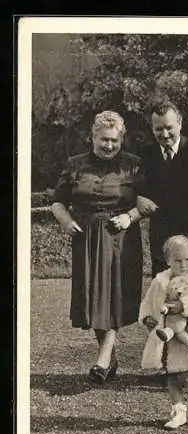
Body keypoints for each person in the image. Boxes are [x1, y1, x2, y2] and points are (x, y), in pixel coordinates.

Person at [51, 111, 157, 384]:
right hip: (86, 238)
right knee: (93, 298)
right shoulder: (75, 165)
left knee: (114, 297)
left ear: (121, 140)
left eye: (114, 140)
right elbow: (58, 201)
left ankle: (103, 357)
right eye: (103, 140)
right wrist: (65, 220)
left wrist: (130, 216)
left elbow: (148, 203)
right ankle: (108, 358)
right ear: (93, 138)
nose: (108, 145)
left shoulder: (133, 166)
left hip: (121, 239)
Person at [139, 235, 188, 430]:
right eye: (177, 261)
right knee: (171, 375)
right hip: (166, 336)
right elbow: (148, 301)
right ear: (168, 261)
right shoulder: (160, 281)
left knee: (185, 372)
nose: (183, 265)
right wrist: (147, 316)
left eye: (187, 260)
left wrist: (184, 305)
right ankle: (178, 409)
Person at [139, 99, 188, 277]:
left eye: (169, 127)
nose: (164, 134)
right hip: (162, 237)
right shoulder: (146, 154)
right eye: (158, 129)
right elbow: (135, 186)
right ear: (152, 128)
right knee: (164, 291)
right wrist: (138, 197)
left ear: (180, 124)